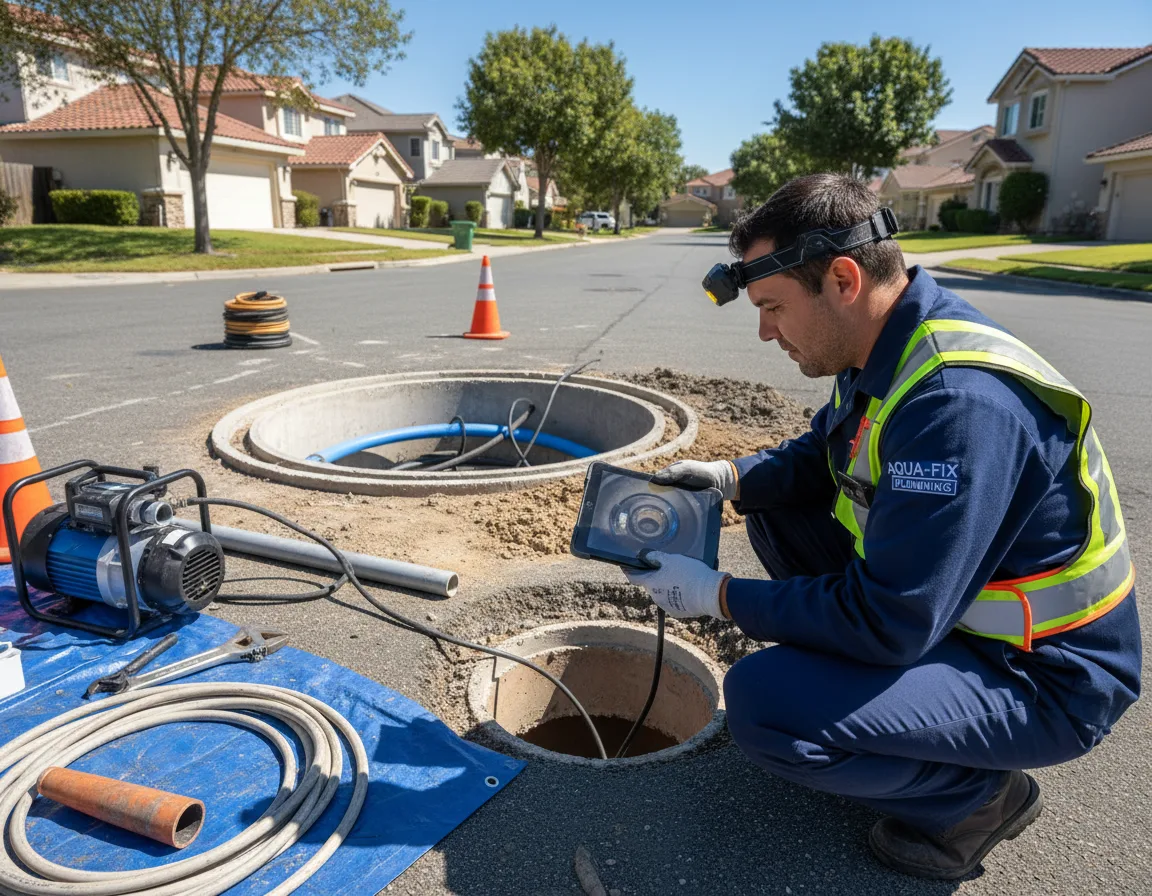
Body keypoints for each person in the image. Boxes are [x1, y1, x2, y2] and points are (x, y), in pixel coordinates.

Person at [624, 173, 1141, 880]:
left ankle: (978, 801)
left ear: (842, 278)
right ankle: (878, 710)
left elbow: (891, 618)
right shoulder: (883, 340)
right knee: (776, 511)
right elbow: (826, 451)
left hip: (1041, 678)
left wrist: (715, 596)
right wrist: (731, 478)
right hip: (954, 617)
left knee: (762, 702)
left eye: (773, 306)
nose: (765, 330)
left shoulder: (957, 407)